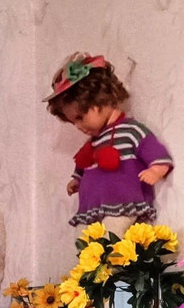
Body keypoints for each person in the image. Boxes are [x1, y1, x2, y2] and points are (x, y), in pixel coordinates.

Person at [44, 53, 172, 228]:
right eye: (73, 122)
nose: (78, 126)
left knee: (112, 235)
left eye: (80, 117)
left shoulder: (130, 131)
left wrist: (156, 169)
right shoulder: (94, 142)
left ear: (100, 99)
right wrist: (77, 180)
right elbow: (85, 166)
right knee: (87, 241)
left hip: (122, 207)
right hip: (94, 209)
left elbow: (155, 151)